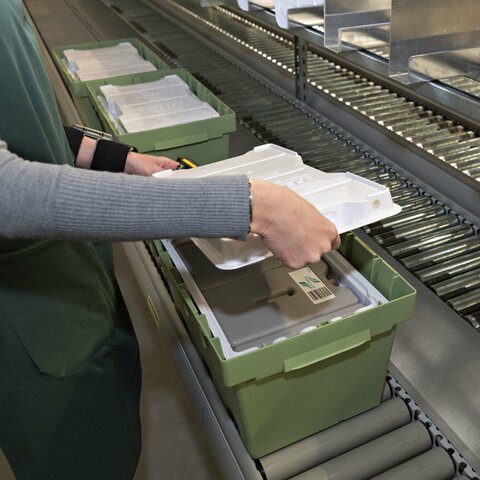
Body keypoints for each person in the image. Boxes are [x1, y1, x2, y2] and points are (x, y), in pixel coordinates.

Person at [0, 1, 340, 479]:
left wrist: (111, 157)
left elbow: (15, 116)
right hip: (26, 316)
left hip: (65, 277)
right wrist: (252, 207)